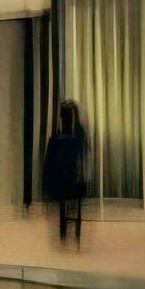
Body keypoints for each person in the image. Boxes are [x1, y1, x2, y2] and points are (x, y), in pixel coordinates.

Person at [42, 99, 89, 241]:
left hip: (64, 181)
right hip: (68, 180)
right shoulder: (74, 135)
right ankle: (66, 226)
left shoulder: (62, 137)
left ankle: (63, 226)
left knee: (54, 151)